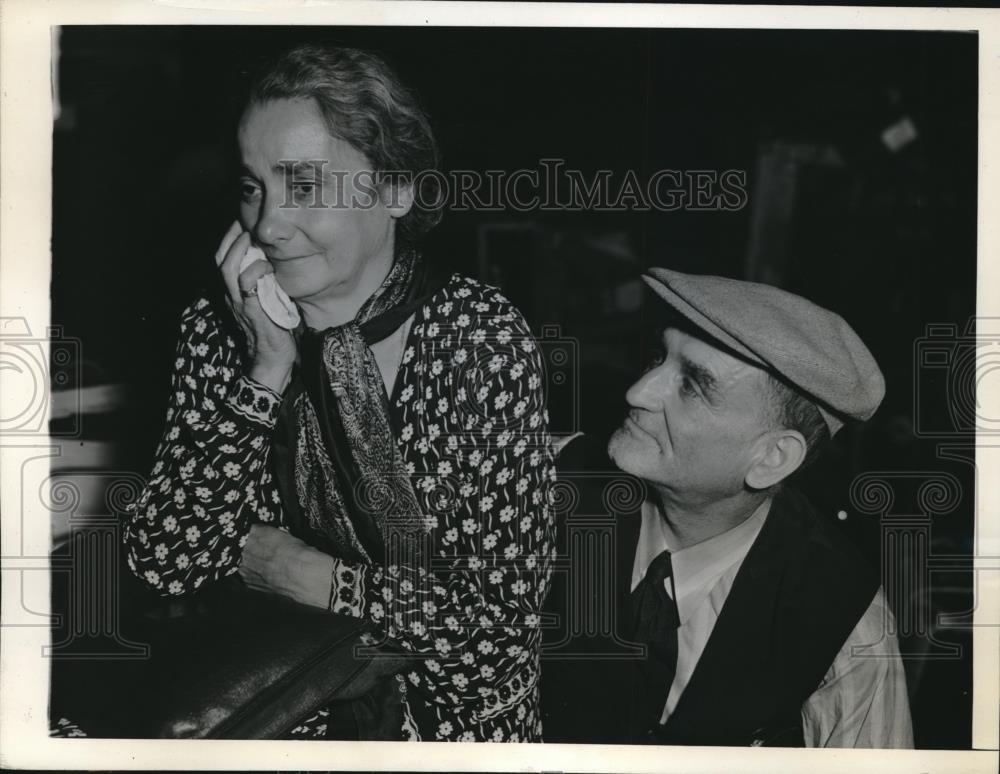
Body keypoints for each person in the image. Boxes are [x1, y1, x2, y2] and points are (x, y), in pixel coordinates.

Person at [121, 43, 556, 743]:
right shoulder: (218, 327)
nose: (266, 224)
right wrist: (265, 368)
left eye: (302, 185)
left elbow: (492, 642)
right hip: (273, 720)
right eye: (252, 185)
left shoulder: (478, 341)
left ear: (396, 190)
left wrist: (312, 576)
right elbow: (166, 566)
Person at [546, 267, 912, 747]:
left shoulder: (846, 621)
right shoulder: (540, 482)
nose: (637, 392)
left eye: (693, 386)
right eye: (658, 358)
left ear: (771, 458)